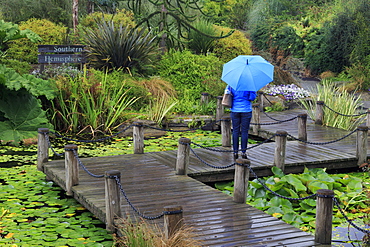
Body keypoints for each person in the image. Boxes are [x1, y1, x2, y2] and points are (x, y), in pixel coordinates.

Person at [225, 85, 257, 160]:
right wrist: (253, 92)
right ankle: (243, 152)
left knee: (235, 131)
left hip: (235, 110)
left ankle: (235, 152)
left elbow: (227, 94)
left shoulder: (231, 84)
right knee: (244, 132)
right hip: (246, 110)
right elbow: (252, 98)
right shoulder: (249, 85)